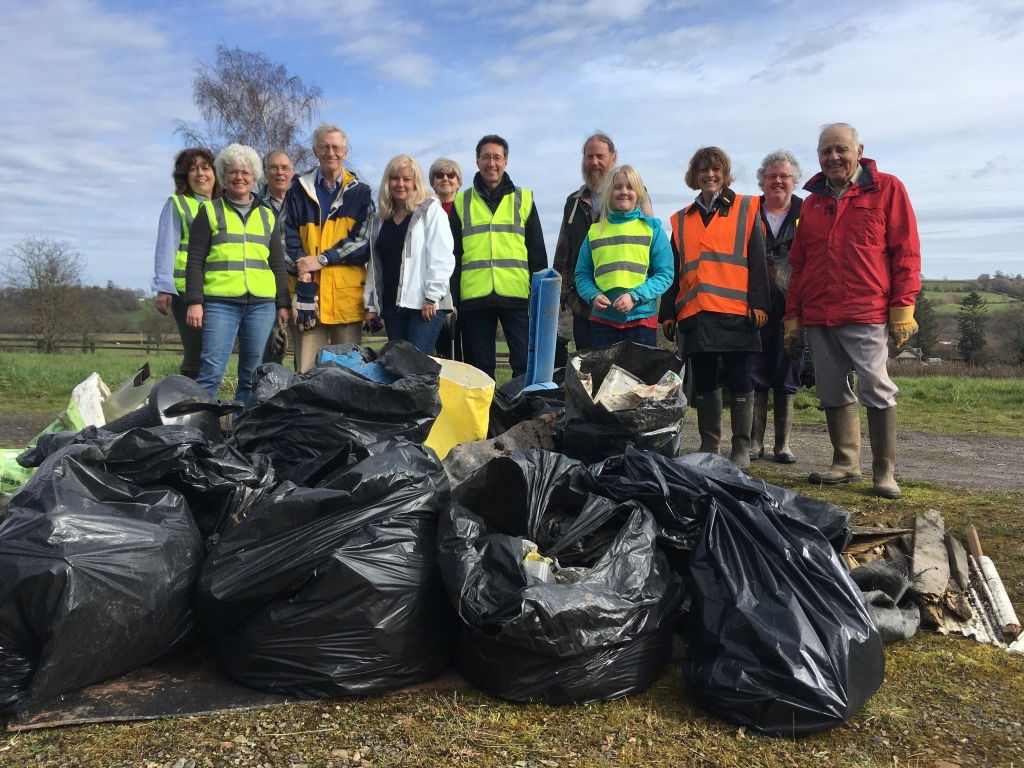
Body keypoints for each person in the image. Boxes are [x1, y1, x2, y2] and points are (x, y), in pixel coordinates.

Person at [784, 123, 921, 498]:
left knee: (875, 387)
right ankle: (845, 463)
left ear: (859, 149)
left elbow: (905, 252)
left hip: (867, 311)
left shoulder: (888, 189)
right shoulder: (811, 203)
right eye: (826, 151)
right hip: (819, 313)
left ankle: (883, 472)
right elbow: (800, 265)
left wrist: (903, 306)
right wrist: (793, 319)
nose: (834, 157)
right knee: (830, 389)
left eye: (841, 149)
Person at [659, 147, 769, 469]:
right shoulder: (681, 220)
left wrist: (760, 302)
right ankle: (710, 443)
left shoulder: (746, 208)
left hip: (737, 311)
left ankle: (741, 447)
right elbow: (675, 269)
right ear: (694, 176)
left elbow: (758, 259)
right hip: (696, 312)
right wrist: (668, 312)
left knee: (739, 377)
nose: (709, 175)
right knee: (704, 379)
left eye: (715, 169)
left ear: (724, 173)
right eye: (703, 170)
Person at [183, 144, 291, 404]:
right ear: (223, 175)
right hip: (220, 303)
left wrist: (283, 303)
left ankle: (242, 433)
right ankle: (200, 432)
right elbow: (194, 260)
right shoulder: (209, 211)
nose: (239, 177)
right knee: (211, 373)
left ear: (254, 176)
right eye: (232, 172)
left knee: (251, 376)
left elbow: (277, 263)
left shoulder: (267, 215)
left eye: (245, 172)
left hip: (262, 305)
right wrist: (194, 301)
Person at [449, 135, 547, 379]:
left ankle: (523, 413)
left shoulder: (524, 199)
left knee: (524, 363)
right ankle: (487, 417)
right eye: (486, 157)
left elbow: (537, 252)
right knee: (479, 369)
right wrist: (452, 299)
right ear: (477, 161)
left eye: (497, 157)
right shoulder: (461, 201)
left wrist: (540, 296)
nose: (491, 163)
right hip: (474, 296)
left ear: (506, 161)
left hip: (515, 293)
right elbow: (454, 255)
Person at [285, 123, 374, 372]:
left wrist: (323, 259)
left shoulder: (362, 193)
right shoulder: (296, 191)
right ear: (315, 150)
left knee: (350, 374)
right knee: (307, 372)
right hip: (307, 297)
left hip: (346, 300)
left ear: (345, 152)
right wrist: (302, 267)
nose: (330, 152)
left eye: (336, 147)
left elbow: (363, 242)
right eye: (324, 147)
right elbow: (285, 238)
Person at [573, 165, 673, 347]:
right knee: (604, 376)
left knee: (639, 376)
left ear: (639, 193)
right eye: (618, 187)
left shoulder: (653, 229)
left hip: (642, 320)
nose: (623, 192)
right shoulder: (595, 231)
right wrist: (593, 295)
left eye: (630, 187)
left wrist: (635, 297)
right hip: (603, 322)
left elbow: (665, 274)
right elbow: (582, 274)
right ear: (609, 192)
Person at [364, 155, 455, 353]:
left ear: (416, 182)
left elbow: (442, 256)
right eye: (395, 178)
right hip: (391, 306)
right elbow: (375, 265)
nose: (400, 184)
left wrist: (432, 297)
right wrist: (371, 306)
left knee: (417, 367)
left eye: (407, 179)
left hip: (424, 305)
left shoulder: (430, 210)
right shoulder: (379, 220)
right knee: (398, 366)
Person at [749, 150, 804, 463]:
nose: (778, 181)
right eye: (771, 176)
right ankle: (755, 442)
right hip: (756, 305)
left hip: (794, 307)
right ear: (762, 181)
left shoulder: (807, 211)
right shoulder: (748, 211)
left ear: (794, 181)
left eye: (784, 176)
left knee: (787, 371)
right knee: (755, 372)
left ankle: (782, 444)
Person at [151, 148, 220, 379]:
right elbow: (166, 245)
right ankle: (189, 403)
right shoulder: (178, 204)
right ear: (184, 176)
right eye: (193, 168)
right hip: (185, 289)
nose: (200, 173)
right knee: (195, 351)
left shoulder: (224, 205)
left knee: (214, 352)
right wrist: (163, 287)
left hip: (217, 287)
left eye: (205, 167)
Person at [553, 133, 618, 351]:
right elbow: (563, 253)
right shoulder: (573, 203)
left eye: (600, 156)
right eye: (589, 157)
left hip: (622, 307)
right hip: (584, 306)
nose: (594, 162)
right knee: (588, 375)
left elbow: (649, 247)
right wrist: (560, 296)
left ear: (613, 159)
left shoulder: (634, 196)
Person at [257, 150, 295, 364]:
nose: (279, 173)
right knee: (268, 352)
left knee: (305, 353)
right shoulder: (254, 203)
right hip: (266, 286)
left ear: (292, 172)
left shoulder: (303, 202)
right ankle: (262, 396)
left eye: (285, 167)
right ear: (264, 172)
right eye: (273, 167)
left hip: (300, 284)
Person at [429, 157, 464, 360]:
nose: (445, 179)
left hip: (462, 287)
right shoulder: (425, 210)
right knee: (440, 350)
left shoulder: (465, 209)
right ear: (432, 181)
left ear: (458, 181)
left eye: (451, 175)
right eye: (439, 175)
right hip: (434, 291)